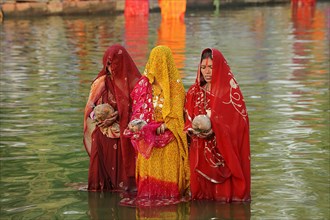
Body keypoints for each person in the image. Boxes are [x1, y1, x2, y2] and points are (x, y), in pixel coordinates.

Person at [121, 45, 190, 206]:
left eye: (161, 62)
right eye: (154, 61)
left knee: (170, 193)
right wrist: (142, 126)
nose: (157, 66)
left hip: (169, 142)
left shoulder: (176, 89)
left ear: (168, 64)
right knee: (148, 195)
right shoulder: (143, 87)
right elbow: (137, 114)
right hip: (148, 143)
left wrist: (165, 126)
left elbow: (178, 117)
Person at [184, 48, 251, 202]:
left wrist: (216, 130)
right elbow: (187, 121)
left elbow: (239, 126)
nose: (206, 72)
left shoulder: (230, 93)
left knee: (224, 201)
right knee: (200, 200)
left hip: (222, 152)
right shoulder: (194, 92)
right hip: (200, 148)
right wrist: (193, 130)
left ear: (219, 67)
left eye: (211, 67)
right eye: (203, 67)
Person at [83, 44, 141, 191]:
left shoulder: (136, 83)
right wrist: (100, 117)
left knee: (126, 187)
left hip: (125, 139)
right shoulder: (101, 83)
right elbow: (89, 107)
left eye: (114, 64)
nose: (111, 69)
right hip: (103, 137)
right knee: (101, 186)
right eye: (108, 65)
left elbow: (142, 111)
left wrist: (124, 119)